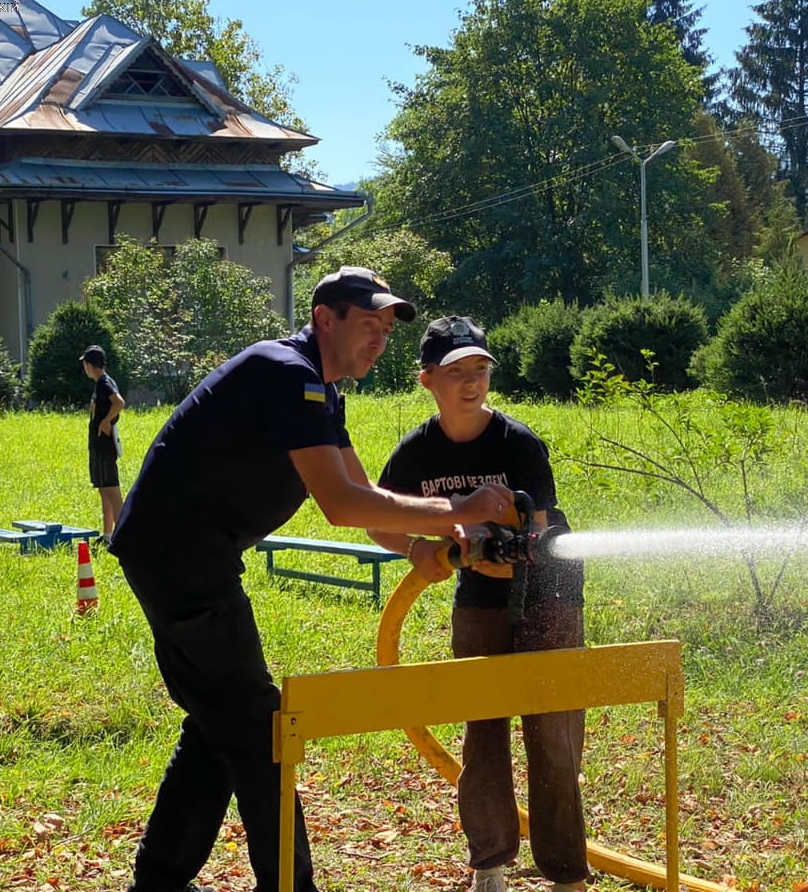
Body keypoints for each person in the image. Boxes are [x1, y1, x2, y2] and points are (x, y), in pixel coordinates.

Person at [107, 267, 514, 892]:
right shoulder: (285, 373)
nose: (380, 340)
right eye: (369, 324)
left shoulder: (320, 391)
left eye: (386, 329)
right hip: (179, 556)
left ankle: (160, 880)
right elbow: (342, 505)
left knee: (221, 720)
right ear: (326, 318)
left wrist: (419, 547)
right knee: (260, 724)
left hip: (189, 555)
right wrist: (460, 510)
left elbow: (365, 493)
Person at [368, 315, 589, 892]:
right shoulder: (416, 453)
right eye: (456, 372)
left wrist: (512, 555)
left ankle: (567, 875)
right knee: (482, 728)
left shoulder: (520, 444)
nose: (471, 383)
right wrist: (420, 548)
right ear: (427, 381)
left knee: (554, 734)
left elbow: (536, 528)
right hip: (478, 598)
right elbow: (378, 521)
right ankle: (489, 865)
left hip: (549, 595)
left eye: (480, 370)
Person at [80, 344, 125, 541]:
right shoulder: (100, 384)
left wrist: (106, 421)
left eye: (85, 364)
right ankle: (107, 535)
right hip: (98, 445)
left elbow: (119, 402)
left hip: (105, 446)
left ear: (89, 365)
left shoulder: (105, 383)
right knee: (103, 489)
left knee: (112, 490)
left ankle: (124, 537)